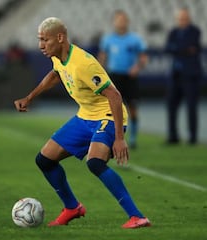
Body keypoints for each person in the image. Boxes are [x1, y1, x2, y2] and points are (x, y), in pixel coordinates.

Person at [14, 17, 150, 229]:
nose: (41, 45)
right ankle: (72, 207)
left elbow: (114, 96)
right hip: (85, 116)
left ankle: (137, 216)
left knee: (95, 162)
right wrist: (30, 97)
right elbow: (55, 74)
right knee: (44, 160)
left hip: (107, 116)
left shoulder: (83, 64)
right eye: (39, 39)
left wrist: (120, 138)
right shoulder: (57, 55)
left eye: (45, 40)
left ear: (60, 38)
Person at [98, 10, 148, 149]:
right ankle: (113, 137)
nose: (121, 22)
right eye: (118, 19)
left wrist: (137, 67)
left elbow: (144, 57)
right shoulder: (108, 39)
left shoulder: (135, 39)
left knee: (133, 108)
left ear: (127, 21)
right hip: (114, 77)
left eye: (123, 19)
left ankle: (132, 138)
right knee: (113, 109)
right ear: (114, 22)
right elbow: (102, 58)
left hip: (130, 77)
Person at [165, 7, 202, 145]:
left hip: (191, 75)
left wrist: (177, 48)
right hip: (176, 74)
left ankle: (193, 137)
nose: (182, 21)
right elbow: (168, 48)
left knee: (191, 106)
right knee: (171, 106)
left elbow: (194, 48)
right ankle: (173, 136)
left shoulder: (195, 31)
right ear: (177, 19)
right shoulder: (173, 32)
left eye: (185, 18)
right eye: (180, 18)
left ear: (189, 18)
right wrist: (184, 49)